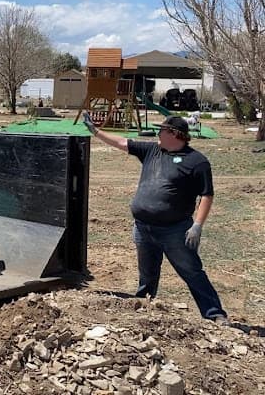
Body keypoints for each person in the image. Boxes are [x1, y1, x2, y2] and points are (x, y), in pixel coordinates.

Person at [82, 113, 229, 325]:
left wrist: (197, 225)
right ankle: (144, 306)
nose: (157, 133)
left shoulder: (197, 162)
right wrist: (95, 131)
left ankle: (214, 313)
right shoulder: (152, 150)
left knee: (191, 271)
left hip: (175, 231)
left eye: (162, 130)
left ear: (174, 134)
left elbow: (207, 195)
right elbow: (122, 143)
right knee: (147, 273)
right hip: (143, 228)